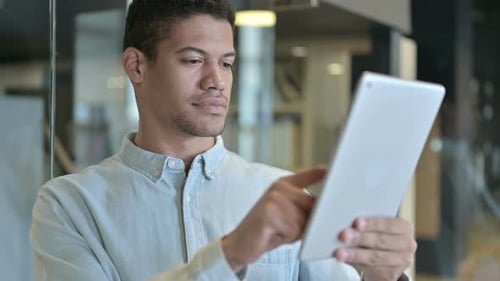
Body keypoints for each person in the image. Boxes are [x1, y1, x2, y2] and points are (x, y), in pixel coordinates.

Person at [30, 1, 417, 280]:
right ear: (136, 65)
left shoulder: (282, 194)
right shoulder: (69, 205)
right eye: (194, 60)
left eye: (227, 63)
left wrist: (381, 276)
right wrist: (231, 255)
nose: (216, 80)